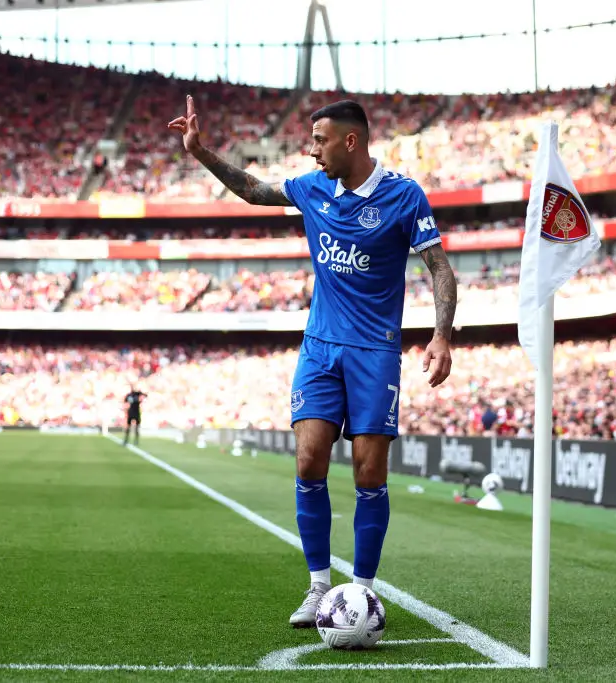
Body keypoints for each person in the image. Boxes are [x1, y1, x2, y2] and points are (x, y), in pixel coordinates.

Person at [169, 97, 458, 627]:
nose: (312, 149)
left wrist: (441, 335)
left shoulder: (403, 196)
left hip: (375, 352)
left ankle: (363, 594)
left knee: (370, 474)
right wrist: (201, 152)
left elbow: (439, 267)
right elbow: (255, 191)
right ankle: (318, 587)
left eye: (320, 139)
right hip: (320, 347)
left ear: (351, 141)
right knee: (308, 461)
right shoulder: (311, 188)